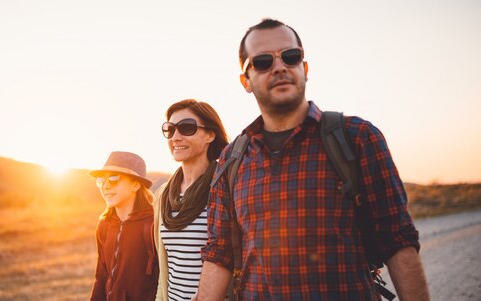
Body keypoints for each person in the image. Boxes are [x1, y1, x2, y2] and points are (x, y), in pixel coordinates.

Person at [197, 19, 430, 300]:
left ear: (304, 68)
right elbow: (219, 254)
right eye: (262, 62)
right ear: (246, 81)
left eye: (291, 57)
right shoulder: (231, 160)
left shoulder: (357, 137)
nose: (280, 67)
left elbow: (397, 240)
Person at [154, 99, 229, 300]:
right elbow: (166, 268)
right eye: (170, 130)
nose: (175, 137)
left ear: (210, 135)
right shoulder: (163, 195)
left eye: (187, 128)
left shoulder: (225, 188)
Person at [89, 151, 159, 301]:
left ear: (135, 185)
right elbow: (101, 277)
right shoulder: (104, 225)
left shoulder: (154, 225)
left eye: (114, 178)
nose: (105, 186)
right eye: (101, 179)